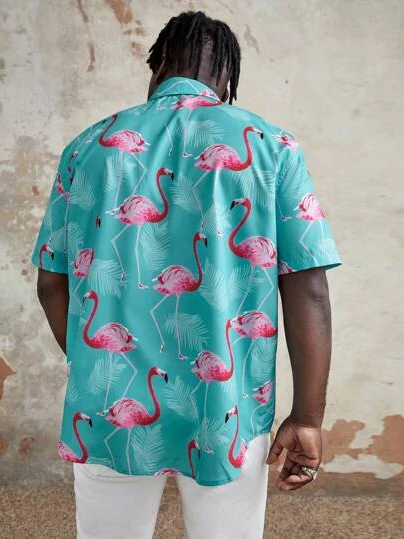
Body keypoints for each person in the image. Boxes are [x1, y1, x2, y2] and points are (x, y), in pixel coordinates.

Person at [31, 10, 341, 539]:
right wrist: (307, 418)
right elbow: (308, 289)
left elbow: (50, 283)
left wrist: (96, 365)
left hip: (108, 399)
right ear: (227, 79)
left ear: (157, 67)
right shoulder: (273, 147)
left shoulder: (87, 147)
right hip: (228, 405)